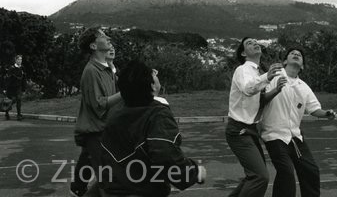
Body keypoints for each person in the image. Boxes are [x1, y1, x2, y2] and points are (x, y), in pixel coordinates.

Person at [99, 58, 206, 196]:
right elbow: (165, 153)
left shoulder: (116, 111)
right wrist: (193, 173)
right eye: (153, 75)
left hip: (112, 186)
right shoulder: (157, 114)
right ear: (152, 86)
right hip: (142, 190)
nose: (156, 75)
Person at [260, 47, 336, 197]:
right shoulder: (272, 77)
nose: (296, 55)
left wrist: (327, 114)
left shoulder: (304, 87)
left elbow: (314, 109)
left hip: (295, 137)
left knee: (311, 170)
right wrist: (275, 90)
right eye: (292, 54)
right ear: (285, 61)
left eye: (299, 55)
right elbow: (259, 99)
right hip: (274, 135)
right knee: (286, 172)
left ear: (302, 66)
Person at [225, 37, 286, 197]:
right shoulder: (243, 70)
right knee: (260, 177)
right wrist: (268, 77)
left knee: (253, 176)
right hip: (238, 130)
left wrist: (276, 90)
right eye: (249, 43)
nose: (254, 43)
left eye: (255, 41)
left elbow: (259, 101)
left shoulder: (257, 71)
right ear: (244, 53)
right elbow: (247, 89)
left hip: (250, 130)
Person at [70, 27, 122, 197]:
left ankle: (77, 187)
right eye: (102, 36)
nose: (107, 37)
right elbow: (98, 104)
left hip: (104, 130)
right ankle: (78, 187)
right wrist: (126, 92)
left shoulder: (106, 69)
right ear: (93, 46)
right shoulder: (91, 71)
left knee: (107, 178)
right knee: (108, 181)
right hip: (96, 133)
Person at [4, 55, 26, 121]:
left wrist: (24, 89)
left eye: (21, 59)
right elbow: (8, 79)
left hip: (18, 87)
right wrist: (6, 89)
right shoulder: (12, 68)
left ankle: (19, 115)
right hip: (11, 88)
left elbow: (24, 79)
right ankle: (6, 112)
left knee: (19, 99)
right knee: (11, 101)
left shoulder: (22, 68)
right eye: (19, 59)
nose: (20, 61)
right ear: (16, 60)